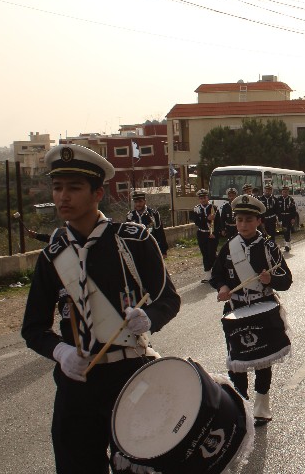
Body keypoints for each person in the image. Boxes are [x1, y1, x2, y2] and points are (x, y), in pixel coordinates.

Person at [21, 144, 180, 474]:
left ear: (98, 193)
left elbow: (169, 298)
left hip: (131, 376)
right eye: (58, 187)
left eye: (74, 188)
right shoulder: (52, 256)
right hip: (77, 386)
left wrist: (149, 317)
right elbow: (33, 328)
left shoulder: (134, 242)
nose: (63, 197)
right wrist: (62, 352)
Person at [211, 194, 292, 427]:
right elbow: (217, 275)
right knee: (238, 359)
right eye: (239, 220)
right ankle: (242, 405)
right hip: (236, 308)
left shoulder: (268, 247)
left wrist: (270, 280)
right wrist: (223, 286)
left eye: (248, 220)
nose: (243, 225)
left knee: (262, 359)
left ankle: (261, 406)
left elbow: (286, 280)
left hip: (262, 307)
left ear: (258, 221)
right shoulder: (228, 248)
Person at [125, 191, 168, 258]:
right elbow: (128, 234)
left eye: (140, 201)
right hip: (137, 249)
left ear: (145, 201)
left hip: (151, 247)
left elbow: (160, 232)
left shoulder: (153, 214)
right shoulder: (130, 216)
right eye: (136, 202)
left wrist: (163, 250)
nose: (138, 204)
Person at [191, 189, 218, 283]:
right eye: (201, 198)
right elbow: (197, 222)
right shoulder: (196, 209)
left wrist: (214, 233)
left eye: (204, 198)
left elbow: (218, 222)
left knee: (212, 253)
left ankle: (216, 272)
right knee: (205, 253)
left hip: (212, 234)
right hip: (202, 233)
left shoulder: (213, 207)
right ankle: (207, 274)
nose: (203, 200)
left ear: (207, 198)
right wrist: (207, 218)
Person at [276, 186, 297, 252]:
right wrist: (278, 219)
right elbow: (277, 210)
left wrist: (293, 218)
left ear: (288, 192)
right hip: (282, 217)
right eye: (283, 192)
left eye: (286, 192)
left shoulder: (291, 199)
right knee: (284, 230)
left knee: (287, 230)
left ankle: (287, 244)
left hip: (288, 217)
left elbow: (293, 210)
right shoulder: (279, 199)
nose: (285, 193)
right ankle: (287, 243)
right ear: (282, 192)